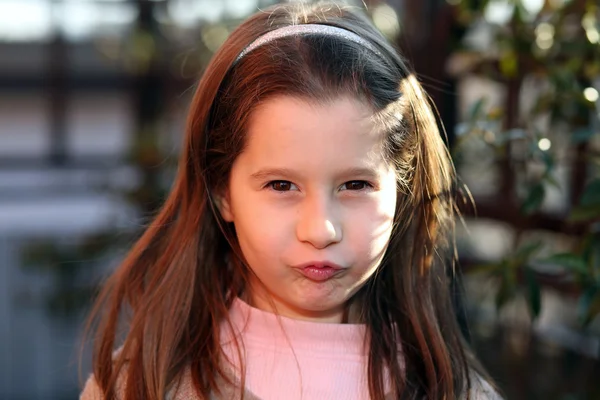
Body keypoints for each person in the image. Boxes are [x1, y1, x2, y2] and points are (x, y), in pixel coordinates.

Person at [80, 1, 502, 399]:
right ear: (221, 191)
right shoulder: (136, 385)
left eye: (355, 185)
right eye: (281, 186)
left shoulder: (458, 391)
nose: (320, 230)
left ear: (403, 188)